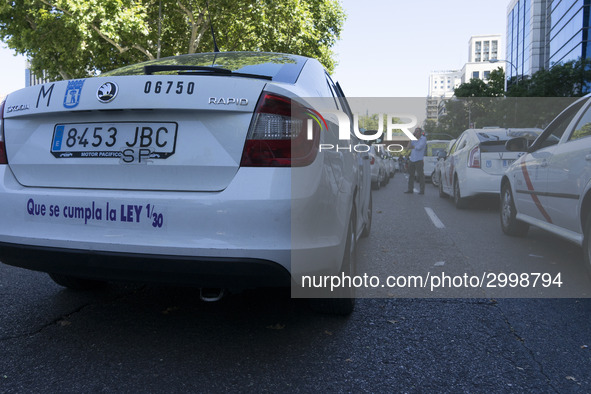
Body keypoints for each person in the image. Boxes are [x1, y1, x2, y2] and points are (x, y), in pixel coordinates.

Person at [404, 127, 427, 195]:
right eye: (415, 131)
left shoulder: (423, 139)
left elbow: (419, 148)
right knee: (411, 175)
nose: (416, 132)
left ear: (420, 132)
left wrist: (412, 147)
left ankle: (422, 190)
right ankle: (410, 189)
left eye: (417, 131)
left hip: (419, 159)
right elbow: (408, 147)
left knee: (420, 175)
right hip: (412, 159)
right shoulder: (413, 139)